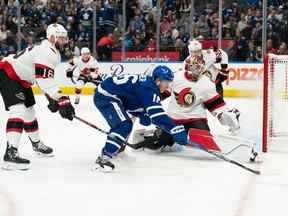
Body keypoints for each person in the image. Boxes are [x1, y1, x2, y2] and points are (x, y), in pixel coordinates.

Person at [0, 23, 75, 170]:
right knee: (19, 110)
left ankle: (36, 144)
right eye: (62, 38)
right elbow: (44, 80)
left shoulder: (52, 52)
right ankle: (10, 154)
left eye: (65, 38)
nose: (65, 41)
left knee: (29, 112)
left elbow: (43, 79)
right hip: (9, 73)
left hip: (22, 78)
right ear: (52, 38)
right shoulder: (46, 51)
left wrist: (52, 98)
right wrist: (62, 99)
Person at [133, 56, 240, 152]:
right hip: (173, 120)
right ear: (187, 67)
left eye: (198, 69)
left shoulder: (207, 84)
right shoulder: (176, 77)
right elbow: (162, 93)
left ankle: (192, 137)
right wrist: (145, 103)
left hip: (195, 119)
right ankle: (147, 135)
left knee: (205, 141)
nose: (195, 72)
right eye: (193, 69)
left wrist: (224, 115)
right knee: (157, 145)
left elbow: (215, 106)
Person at [93, 65, 189, 172]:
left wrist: (142, 113)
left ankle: (115, 150)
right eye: (166, 83)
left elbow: (132, 98)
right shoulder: (150, 89)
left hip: (113, 94)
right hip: (106, 96)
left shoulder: (148, 84)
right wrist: (174, 129)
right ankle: (104, 158)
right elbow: (157, 115)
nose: (167, 86)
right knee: (124, 125)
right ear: (158, 81)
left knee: (125, 125)